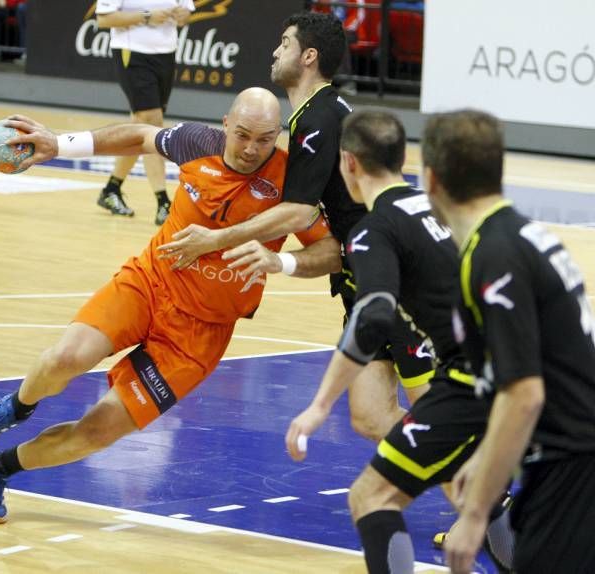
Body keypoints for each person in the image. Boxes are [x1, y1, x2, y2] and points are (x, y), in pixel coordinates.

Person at [0, 88, 338, 523]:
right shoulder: (197, 142)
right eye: (242, 134)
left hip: (198, 336)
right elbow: (139, 136)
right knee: (66, 357)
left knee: (95, 433)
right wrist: (60, 144)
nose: (251, 149)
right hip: (150, 284)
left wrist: (279, 261)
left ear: (278, 135)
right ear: (226, 124)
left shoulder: (291, 184)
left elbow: (330, 251)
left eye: (264, 139)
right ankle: (16, 408)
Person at [160, 11, 432, 443]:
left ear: (308, 56)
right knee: (369, 416)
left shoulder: (319, 118)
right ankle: (478, 474)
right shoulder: (315, 114)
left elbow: (299, 212)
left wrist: (219, 238)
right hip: (359, 277)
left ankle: (496, 485)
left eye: (284, 43)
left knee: (433, 408)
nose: (275, 50)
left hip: (393, 275)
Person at [279, 110, 513, 574]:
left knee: (371, 495)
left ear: (347, 162)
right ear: (404, 158)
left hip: (470, 379)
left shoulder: (374, 230)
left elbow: (372, 316)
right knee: (467, 485)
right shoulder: (435, 204)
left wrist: (320, 406)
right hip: (513, 363)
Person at [422, 109, 595, 573]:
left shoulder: (492, 255)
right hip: (564, 462)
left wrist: (475, 512)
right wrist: (486, 461)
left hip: (573, 468)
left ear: (431, 179)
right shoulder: (516, 234)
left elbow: (524, 394)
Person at [94, 0, 194, 225]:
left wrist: (181, 15)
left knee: (140, 127)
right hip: (132, 53)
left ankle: (111, 188)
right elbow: (104, 18)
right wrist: (147, 16)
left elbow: (187, 13)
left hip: (166, 54)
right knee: (152, 124)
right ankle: (163, 203)